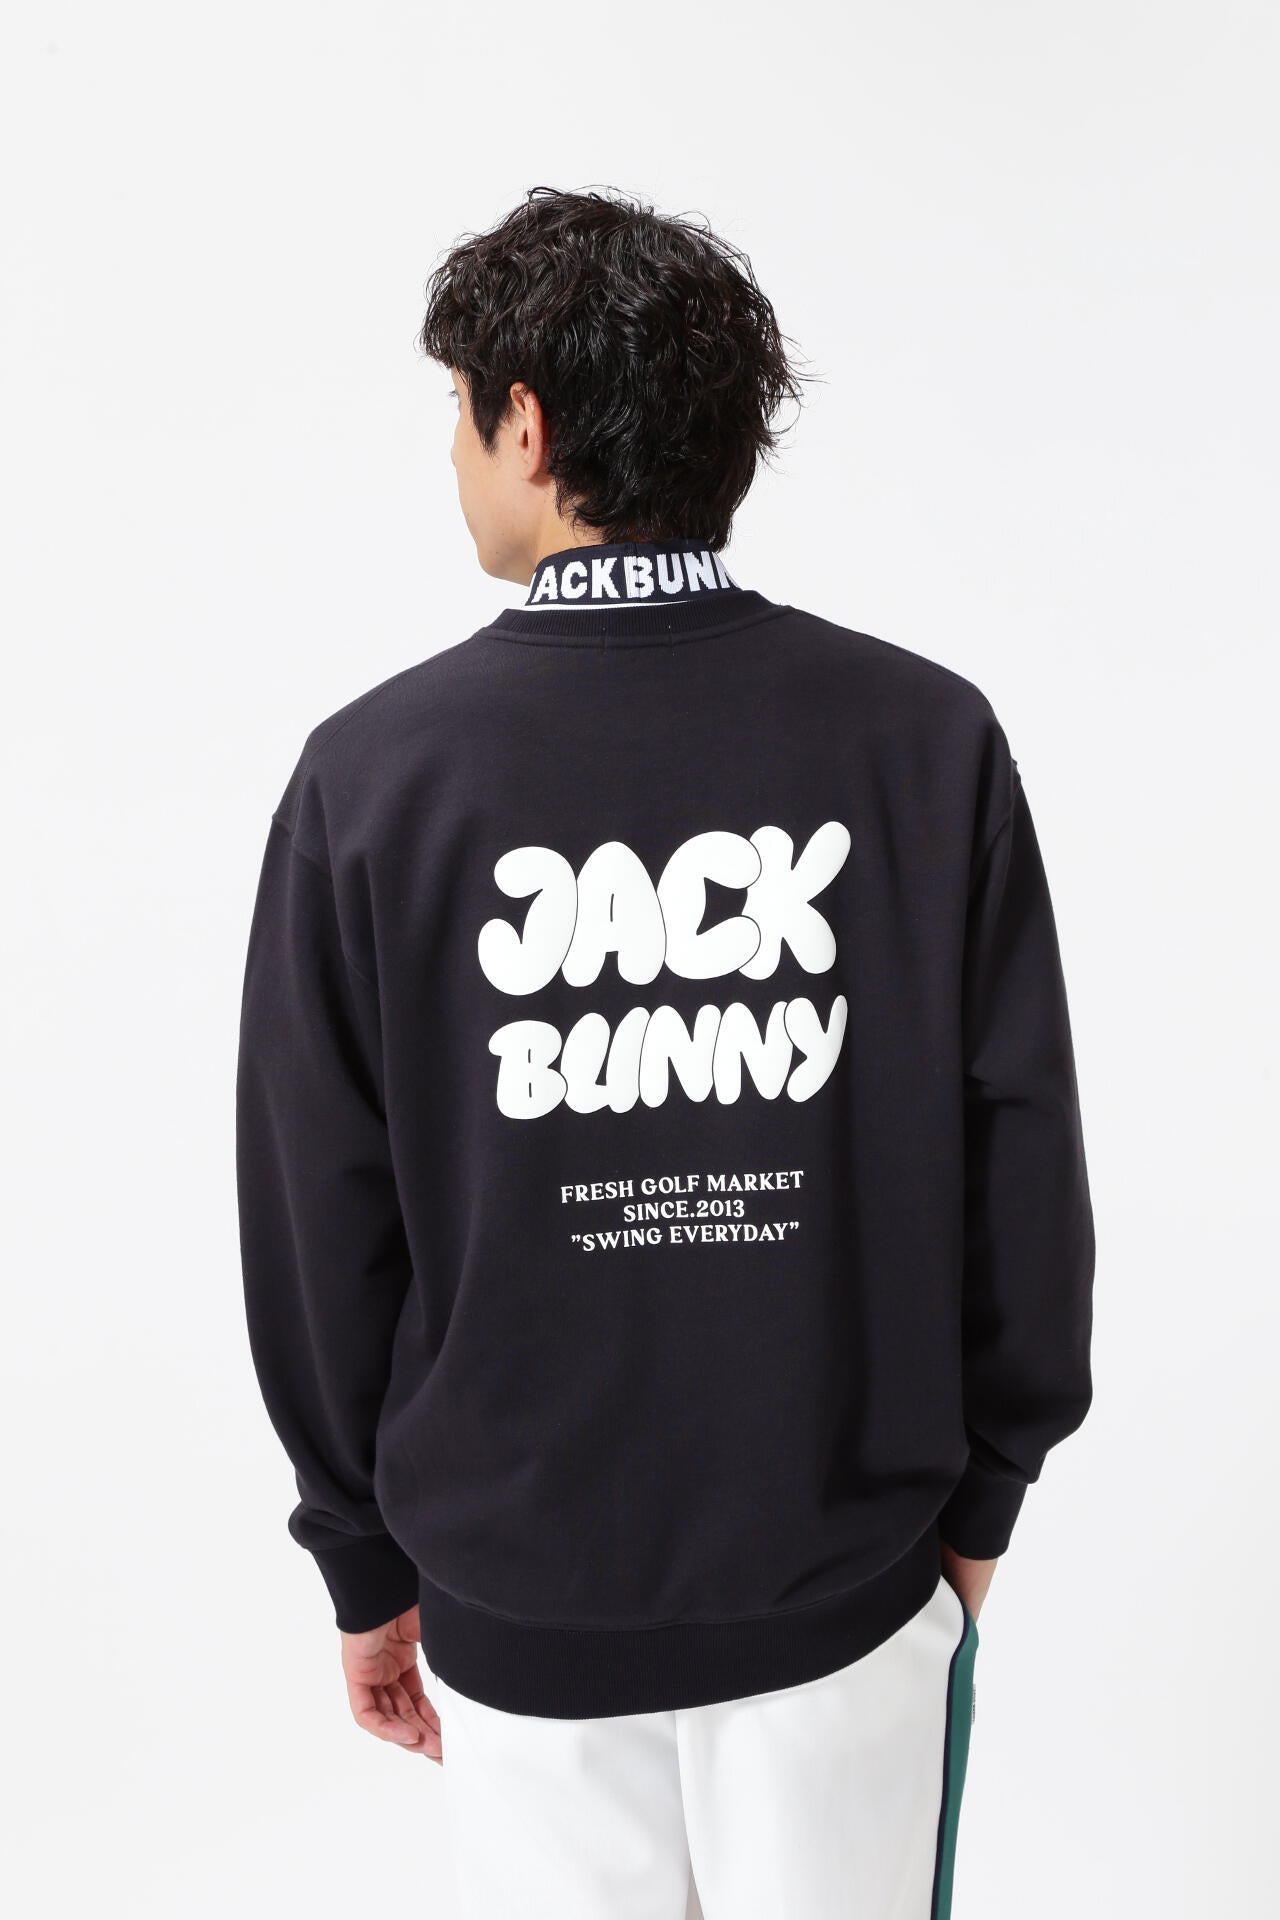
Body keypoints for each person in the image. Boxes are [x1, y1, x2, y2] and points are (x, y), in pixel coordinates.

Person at [236, 184, 1095, 1919]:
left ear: (526, 423)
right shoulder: (921, 742)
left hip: (523, 1607)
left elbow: (319, 1215)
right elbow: (1022, 1156)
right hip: (850, 1596)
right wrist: (982, 1505)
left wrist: (363, 1557)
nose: (455, 458)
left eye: (458, 413)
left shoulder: (376, 780)